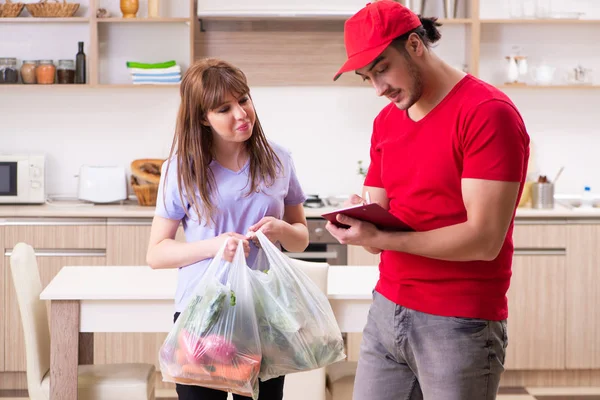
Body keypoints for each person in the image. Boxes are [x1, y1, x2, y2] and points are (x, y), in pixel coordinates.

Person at [327, 1, 530, 399]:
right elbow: (378, 228)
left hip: (458, 321)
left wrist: (382, 238)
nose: (378, 88)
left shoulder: (487, 113)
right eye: (367, 77)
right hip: (387, 310)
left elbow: (483, 240)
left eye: (382, 68)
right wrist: (360, 226)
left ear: (416, 45)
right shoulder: (386, 121)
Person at [146, 58, 309, 400]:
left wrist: (281, 230)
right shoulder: (181, 170)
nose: (241, 114)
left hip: (264, 314)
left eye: (244, 100)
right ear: (202, 117)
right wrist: (214, 246)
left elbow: (301, 239)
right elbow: (157, 253)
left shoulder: (279, 160)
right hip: (202, 315)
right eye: (224, 108)